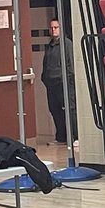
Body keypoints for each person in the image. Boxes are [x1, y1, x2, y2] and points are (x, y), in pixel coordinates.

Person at [42, 17, 78, 145]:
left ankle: (75, 137)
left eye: (56, 27)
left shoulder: (66, 44)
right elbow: (46, 64)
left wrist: (68, 79)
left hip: (64, 82)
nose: (53, 30)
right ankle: (61, 137)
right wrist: (44, 78)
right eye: (51, 28)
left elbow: (71, 64)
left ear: (61, 29)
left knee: (70, 109)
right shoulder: (50, 45)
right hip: (51, 83)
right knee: (55, 110)